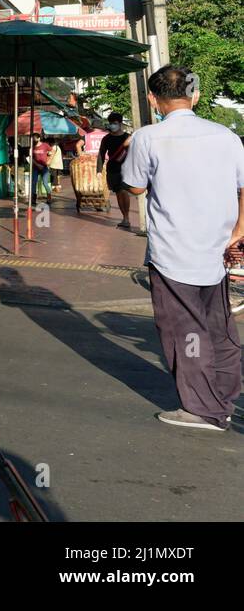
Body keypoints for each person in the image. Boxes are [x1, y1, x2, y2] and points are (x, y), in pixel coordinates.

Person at [121, 66, 244, 431]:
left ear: (152, 99)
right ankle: (224, 397)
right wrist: (238, 230)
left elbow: (136, 188)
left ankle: (202, 410)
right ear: (196, 96)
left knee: (185, 333)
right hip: (219, 248)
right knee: (218, 328)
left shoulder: (148, 138)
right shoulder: (227, 136)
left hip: (174, 252)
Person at [96, 111, 133, 229]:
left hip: (126, 169)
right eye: (111, 123)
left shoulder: (128, 137)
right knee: (118, 193)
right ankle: (124, 217)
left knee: (123, 191)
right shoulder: (106, 138)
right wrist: (99, 170)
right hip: (112, 169)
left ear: (120, 123)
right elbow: (101, 154)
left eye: (115, 123)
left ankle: (126, 217)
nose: (112, 125)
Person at [30, 133, 52, 202]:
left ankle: (49, 197)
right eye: (33, 139)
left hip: (44, 167)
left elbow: (52, 151)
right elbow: (31, 158)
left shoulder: (45, 145)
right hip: (35, 167)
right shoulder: (32, 147)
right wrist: (37, 164)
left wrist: (49, 160)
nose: (34, 140)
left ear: (39, 138)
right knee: (34, 182)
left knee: (45, 183)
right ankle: (33, 198)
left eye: (35, 138)